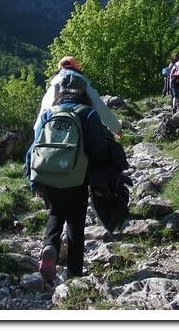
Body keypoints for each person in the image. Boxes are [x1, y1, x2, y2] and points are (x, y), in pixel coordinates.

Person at [25, 70, 111, 282]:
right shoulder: (88, 113)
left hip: (47, 174)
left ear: (61, 92)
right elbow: (98, 148)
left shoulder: (49, 112)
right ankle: (74, 275)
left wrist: (32, 179)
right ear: (82, 93)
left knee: (55, 212)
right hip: (76, 177)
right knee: (75, 221)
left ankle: (49, 247)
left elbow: (34, 147)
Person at [36, 56, 122, 138]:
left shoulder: (53, 86)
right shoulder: (82, 83)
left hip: (53, 135)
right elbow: (101, 108)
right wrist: (116, 128)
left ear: (59, 69)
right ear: (77, 68)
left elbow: (40, 121)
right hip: (82, 134)